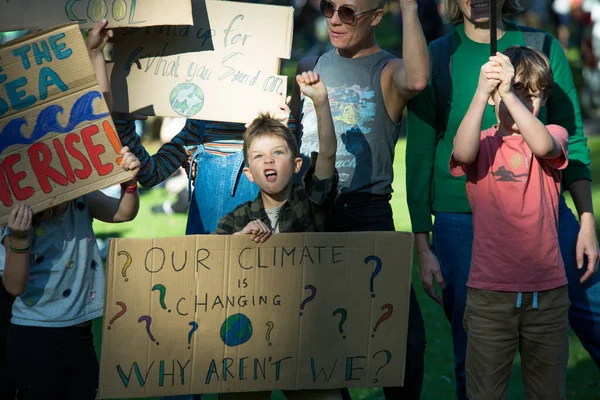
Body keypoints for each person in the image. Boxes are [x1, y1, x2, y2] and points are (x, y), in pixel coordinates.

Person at [406, 0, 600, 398]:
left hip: (545, 216)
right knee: (475, 356)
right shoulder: (439, 55)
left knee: (589, 317)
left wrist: (586, 220)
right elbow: (423, 151)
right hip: (461, 223)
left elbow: (571, 140)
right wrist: (422, 242)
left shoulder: (540, 45)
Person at [289, 0, 429, 397]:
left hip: (365, 212)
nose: (334, 18)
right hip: (312, 214)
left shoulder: (386, 70)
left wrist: (411, 9)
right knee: (323, 340)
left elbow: (417, 81)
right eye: (328, 6)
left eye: (347, 12)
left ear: (376, 17)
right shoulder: (312, 63)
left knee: (404, 341)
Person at [0, 22, 142, 400]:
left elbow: (96, 120)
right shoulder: (14, 216)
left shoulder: (82, 201)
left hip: (80, 332)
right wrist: (18, 239)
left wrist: (129, 181)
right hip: (32, 338)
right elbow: (13, 287)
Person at [452, 47, 570, 399]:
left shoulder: (554, 132)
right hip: (490, 296)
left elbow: (544, 145)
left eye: (533, 95)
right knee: (485, 392)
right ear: (492, 99)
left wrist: (507, 93)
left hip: (547, 294)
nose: (524, 102)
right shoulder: (485, 141)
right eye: (515, 91)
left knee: (548, 392)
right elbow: (462, 153)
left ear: (544, 98)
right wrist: (481, 92)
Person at [216, 72, 340, 400]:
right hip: (250, 338)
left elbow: (327, 155)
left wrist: (320, 101)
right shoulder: (235, 219)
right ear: (248, 173)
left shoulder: (311, 201)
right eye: (258, 156)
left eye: (278, 153)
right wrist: (239, 240)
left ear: (297, 163)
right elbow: (211, 267)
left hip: (307, 333)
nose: (268, 161)